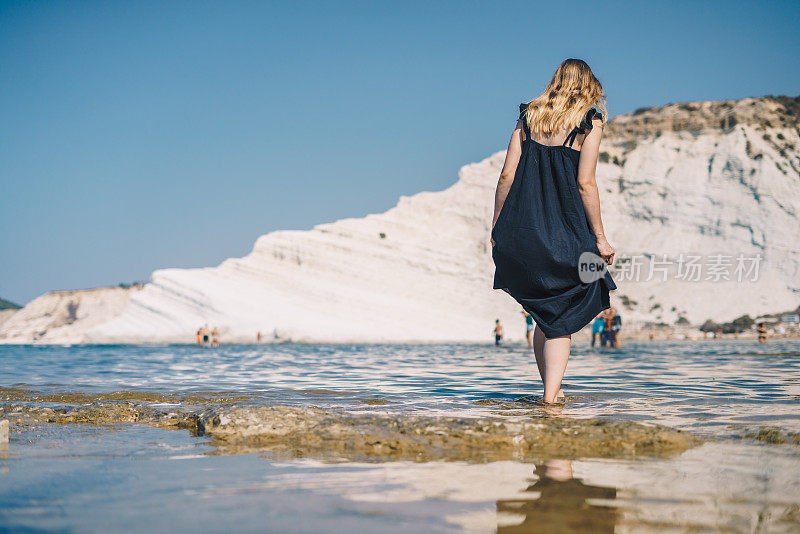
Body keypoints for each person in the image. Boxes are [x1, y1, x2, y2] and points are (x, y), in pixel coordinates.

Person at [491, 59, 616, 404]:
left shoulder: (529, 115)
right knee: (562, 315)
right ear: (589, 85)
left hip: (521, 232)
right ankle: (550, 399)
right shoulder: (589, 121)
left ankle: (554, 391)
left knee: (545, 314)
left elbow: (506, 176)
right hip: (566, 234)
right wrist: (601, 238)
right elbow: (586, 183)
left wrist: (497, 226)